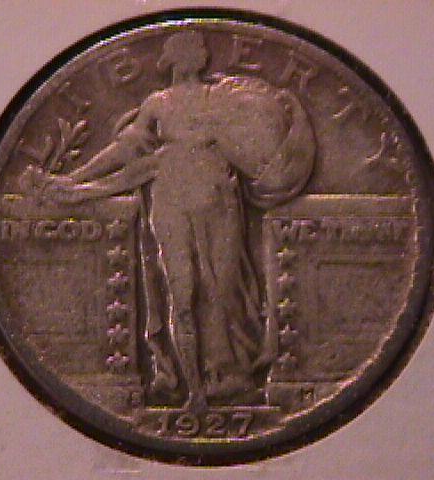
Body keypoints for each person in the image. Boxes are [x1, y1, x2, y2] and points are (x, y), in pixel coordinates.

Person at [30, 31, 314, 410]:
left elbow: (251, 149)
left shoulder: (223, 97)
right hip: (172, 200)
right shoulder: (158, 104)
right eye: (187, 51)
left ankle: (230, 376)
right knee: (181, 293)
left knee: (225, 288)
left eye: (195, 50)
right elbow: (126, 151)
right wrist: (73, 180)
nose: (195, 56)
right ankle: (193, 389)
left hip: (219, 201)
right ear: (175, 59)